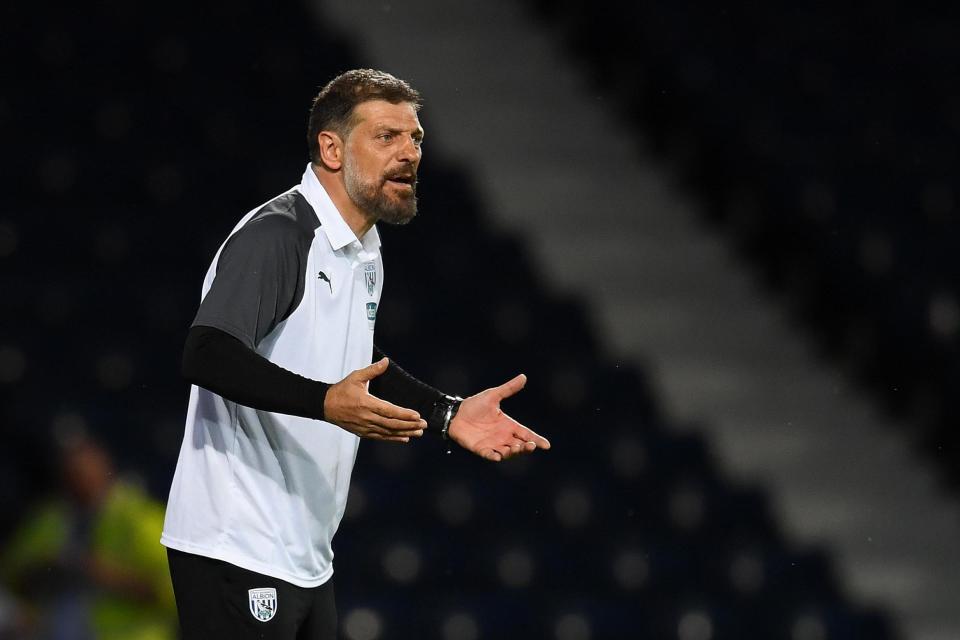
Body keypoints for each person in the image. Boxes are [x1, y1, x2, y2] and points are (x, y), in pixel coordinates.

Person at [161, 69, 551, 640]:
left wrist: (446, 412)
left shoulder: (364, 246)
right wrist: (324, 402)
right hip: (236, 547)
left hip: (307, 557)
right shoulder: (280, 234)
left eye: (415, 138)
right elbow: (206, 352)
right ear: (332, 148)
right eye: (386, 136)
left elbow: (348, 354)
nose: (409, 154)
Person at [0, 434, 176, 640]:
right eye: (69, 474)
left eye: (82, 473)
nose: (77, 481)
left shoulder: (141, 519)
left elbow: (177, 593)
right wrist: (46, 570)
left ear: (104, 468)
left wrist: (103, 575)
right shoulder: (49, 518)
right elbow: (11, 575)